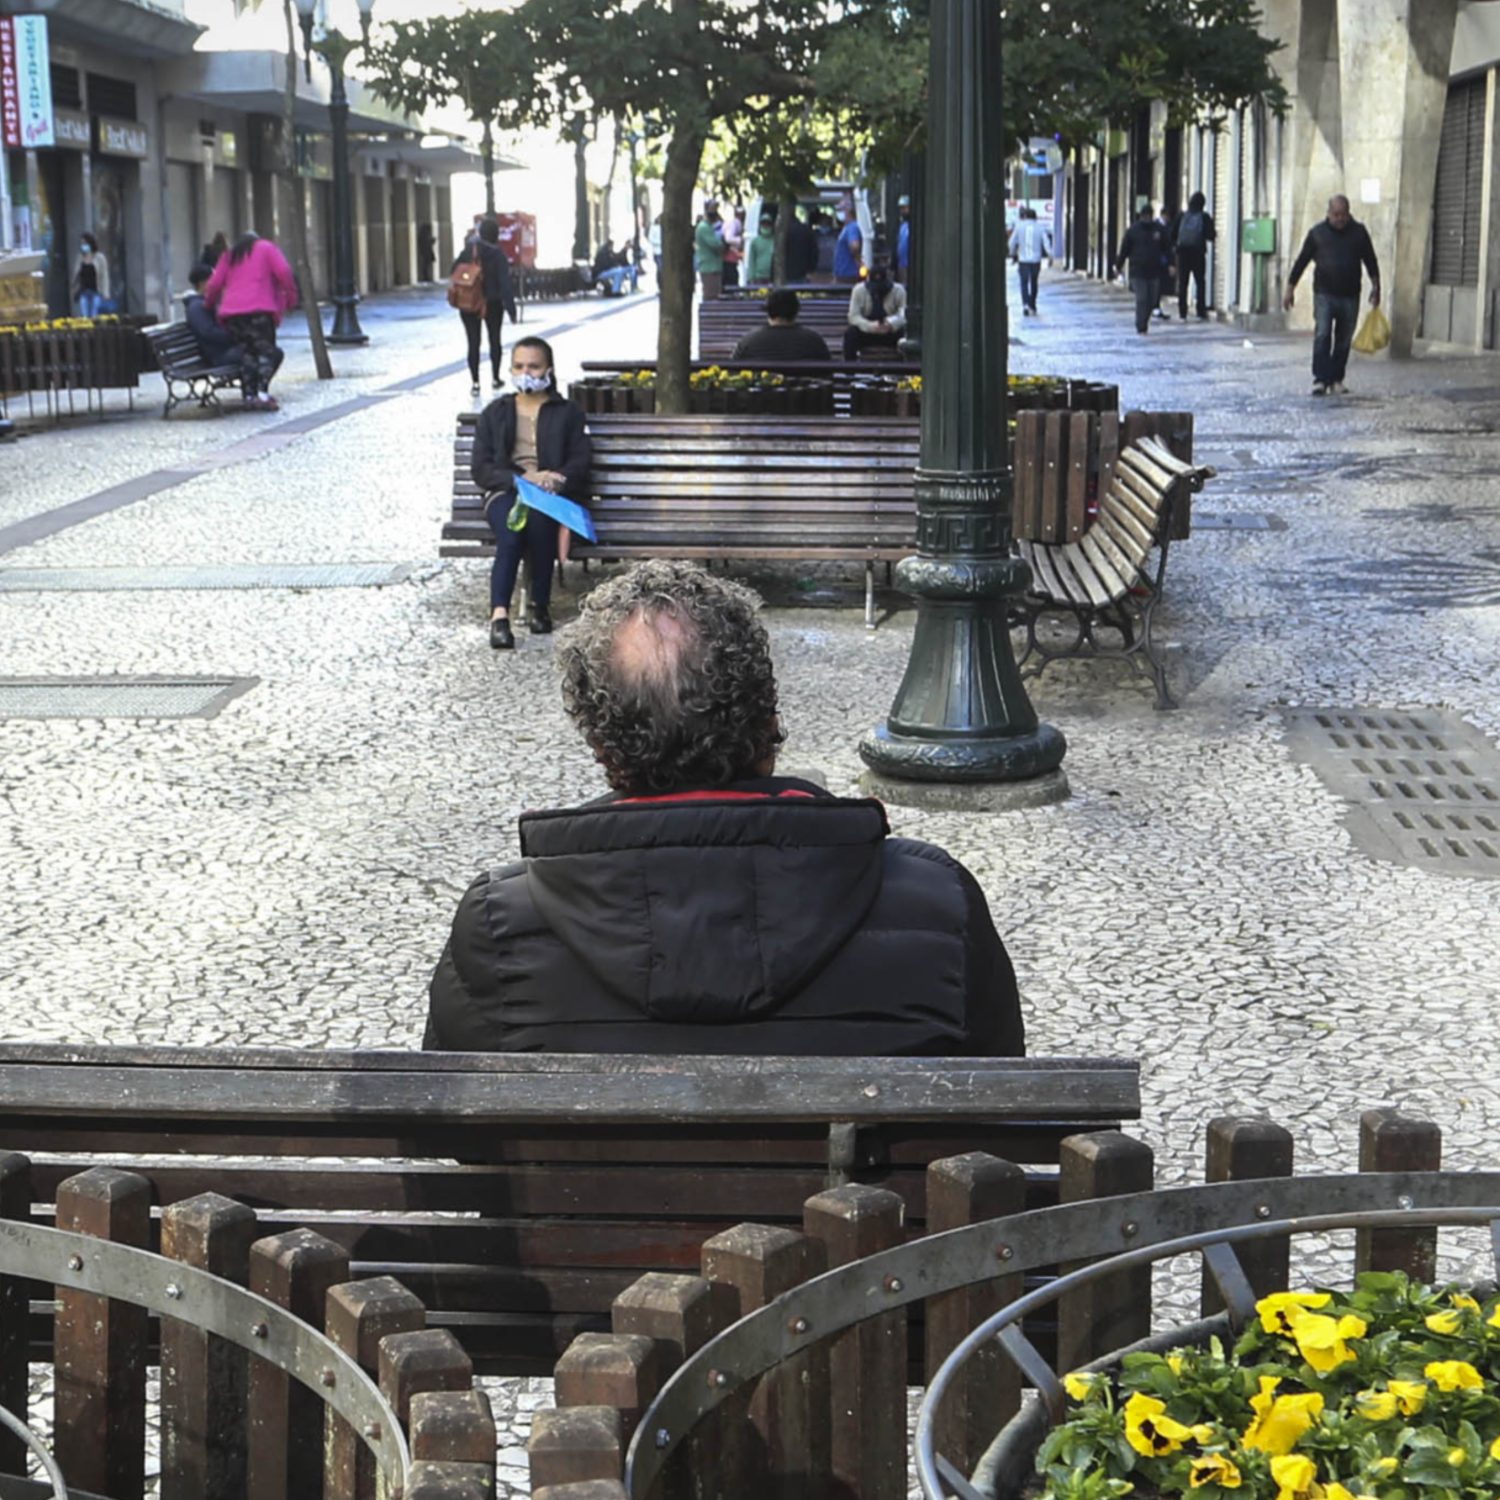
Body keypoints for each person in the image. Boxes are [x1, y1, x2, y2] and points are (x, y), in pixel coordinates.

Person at [425, 559, 1025, 1056]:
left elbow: (455, 1134)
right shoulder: (934, 901)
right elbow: (994, 1107)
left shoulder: (498, 923)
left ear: (603, 748)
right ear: (768, 722)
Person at [471, 336, 591, 650]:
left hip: (550, 495)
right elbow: (482, 468)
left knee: (539, 523)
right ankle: (499, 616)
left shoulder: (567, 412)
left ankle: (540, 605)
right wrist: (522, 478)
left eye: (534, 366)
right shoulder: (496, 412)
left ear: (548, 370)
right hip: (506, 490)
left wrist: (559, 478)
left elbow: (581, 458)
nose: (527, 372)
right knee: (512, 530)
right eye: (520, 366)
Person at [1283, 193, 1382, 397]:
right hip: (1324, 294)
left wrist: (1376, 285)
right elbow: (1301, 261)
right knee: (1323, 334)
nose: (1340, 219)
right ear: (1328, 213)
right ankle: (1320, 379)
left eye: (1343, 214)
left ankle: (1336, 379)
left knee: (1344, 339)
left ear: (1349, 213)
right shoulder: (1317, 234)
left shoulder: (1359, 233)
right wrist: (1290, 288)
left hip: (1350, 294)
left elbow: (1370, 260)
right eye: (1336, 214)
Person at [202, 231, 298, 411]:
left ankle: (248, 395)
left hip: (233, 315)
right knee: (266, 352)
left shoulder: (230, 255)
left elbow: (214, 284)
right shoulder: (267, 248)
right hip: (259, 311)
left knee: (247, 353)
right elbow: (284, 272)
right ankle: (262, 394)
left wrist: (209, 303)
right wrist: (291, 298)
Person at [452, 215, 519, 398]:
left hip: (468, 303)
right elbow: (505, 284)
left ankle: (475, 382)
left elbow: (454, 272)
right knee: (494, 340)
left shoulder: (467, 251)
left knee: (473, 342)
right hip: (493, 303)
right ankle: (495, 378)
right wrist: (512, 310)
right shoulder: (497, 254)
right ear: (496, 235)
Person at [1111, 207, 1170, 336]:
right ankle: (1141, 325)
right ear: (1141, 216)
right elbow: (1124, 250)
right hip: (1138, 271)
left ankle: (1144, 320)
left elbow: (1167, 248)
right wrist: (1118, 266)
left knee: (1152, 299)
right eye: (1146, 216)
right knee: (1142, 298)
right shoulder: (1133, 231)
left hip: (1154, 270)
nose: (1148, 218)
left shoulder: (1158, 230)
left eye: (1150, 216)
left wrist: (1170, 264)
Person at [730, 288, 832, 361]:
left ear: (768, 312)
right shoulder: (814, 340)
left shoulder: (749, 341)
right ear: (796, 312)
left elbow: (733, 369)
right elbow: (828, 371)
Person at [843, 255, 906, 359]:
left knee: (904, 336)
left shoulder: (898, 291)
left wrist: (891, 324)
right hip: (867, 331)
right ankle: (850, 371)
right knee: (850, 334)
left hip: (891, 332)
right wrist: (870, 326)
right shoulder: (859, 290)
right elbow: (853, 316)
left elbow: (904, 313)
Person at [1172, 191, 1215, 321]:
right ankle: (1200, 311)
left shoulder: (1181, 216)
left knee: (1183, 283)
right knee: (1200, 282)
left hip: (1183, 253)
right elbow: (1211, 235)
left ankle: (1182, 312)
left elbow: (1172, 234)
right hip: (1198, 253)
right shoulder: (1204, 217)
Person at [1008, 206, 1053, 317]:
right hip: (1035, 260)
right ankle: (1032, 303)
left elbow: (1011, 243)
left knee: (1023, 282)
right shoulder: (1040, 228)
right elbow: (1046, 243)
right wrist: (1050, 256)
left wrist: (1013, 253)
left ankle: (1025, 304)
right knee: (1034, 282)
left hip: (1023, 260)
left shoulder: (1019, 227)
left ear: (1025, 216)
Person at [72, 233, 110, 318]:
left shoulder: (99, 258)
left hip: (96, 292)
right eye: (81, 244)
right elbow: (76, 275)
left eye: (85, 243)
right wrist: (74, 288)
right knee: (84, 315)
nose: (83, 246)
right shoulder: (80, 258)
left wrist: (106, 293)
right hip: (83, 292)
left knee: (94, 314)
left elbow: (104, 276)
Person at [694, 200, 724, 301]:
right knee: (711, 296)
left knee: (715, 295)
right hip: (709, 267)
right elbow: (716, 244)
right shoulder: (704, 228)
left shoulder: (709, 227)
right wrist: (722, 243)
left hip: (714, 267)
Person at [785, 206, 818, 283]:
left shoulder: (782, 232)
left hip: (786, 273)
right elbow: (814, 252)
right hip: (802, 272)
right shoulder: (805, 230)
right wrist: (811, 269)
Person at [744, 214, 776, 285]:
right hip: (758, 278)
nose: (766, 225)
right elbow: (751, 261)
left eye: (768, 223)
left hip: (773, 277)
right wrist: (750, 278)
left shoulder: (776, 241)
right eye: (763, 223)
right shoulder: (755, 242)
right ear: (760, 225)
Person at [833, 207, 863, 282]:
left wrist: (857, 259)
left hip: (848, 273)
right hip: (843, 272)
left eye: (841, 210)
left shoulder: (852, 227)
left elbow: (855, 246)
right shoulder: (847, 227)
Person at [721, 202, 744, 289]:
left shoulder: (730, 223)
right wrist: (740, 240)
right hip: (730, 257)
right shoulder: (735, 223)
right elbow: (728, 238)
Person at [895, 195, 912, 284]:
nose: (902, 211)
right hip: (902, 263)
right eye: (901, 208)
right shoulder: (902, 226)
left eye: (905, 208)